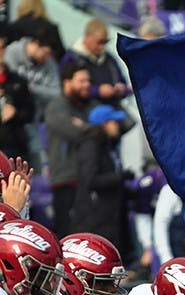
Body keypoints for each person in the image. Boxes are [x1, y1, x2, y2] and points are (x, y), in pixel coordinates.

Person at [45, 62, 94, 238]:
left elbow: (117, 126)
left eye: (88, 80)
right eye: (81, 81)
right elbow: (72, 131)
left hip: (86, 179)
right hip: (65, 178)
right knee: (67, 232)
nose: (87, 85)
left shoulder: (87, 106)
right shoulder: (56, 106)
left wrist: (86, 126)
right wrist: (92, 128)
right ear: (67, 82)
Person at [73, 105, 131, 251]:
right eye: (114, 122)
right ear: (104, 124)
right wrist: (120, 177)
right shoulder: (90, 146)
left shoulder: (107, 145)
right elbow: (90, 180)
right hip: (95, 217)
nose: (118, 126)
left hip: (108, 214)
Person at [60, 19, 130, 108]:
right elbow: (67, 87)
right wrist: (97, 91)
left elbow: (123, 82)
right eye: (99, 42)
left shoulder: (110, 59)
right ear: (87, 38)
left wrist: (122, 89)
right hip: (83, 108)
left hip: (113, 107)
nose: (102, 46)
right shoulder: (71, 58)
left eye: (105, 42)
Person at [0, 35, 36, 162]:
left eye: (2, 47)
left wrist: (15, 113)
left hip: (14, 146)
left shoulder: (18, 81)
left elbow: (30, 113)